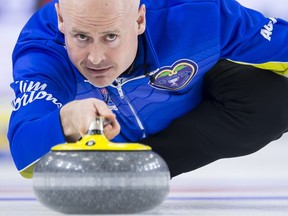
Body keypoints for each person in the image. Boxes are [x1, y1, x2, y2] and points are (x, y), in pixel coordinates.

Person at [8, 0, 288, 179]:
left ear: (140, 19)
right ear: (60, 19)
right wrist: (66, 120)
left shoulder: (195, 12)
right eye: (81, 36)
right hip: (104, 149)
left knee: (277, 99)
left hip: (200, 98)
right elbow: (23, 155)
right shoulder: (41, 50)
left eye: (111, 36)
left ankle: (135, 171)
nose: (95, 58)